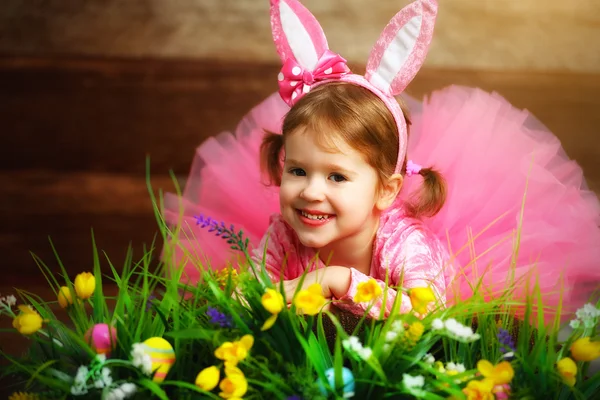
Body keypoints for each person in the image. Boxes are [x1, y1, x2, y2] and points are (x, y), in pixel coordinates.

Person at [162, 0, 600, 321]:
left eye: (337, 176)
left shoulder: (403, 245)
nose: (311, 191)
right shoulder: (283, 235)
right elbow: (252, 296)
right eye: (298, 171)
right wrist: (247, 301)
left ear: (385, 190)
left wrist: (339, 281)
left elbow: (428, 317)